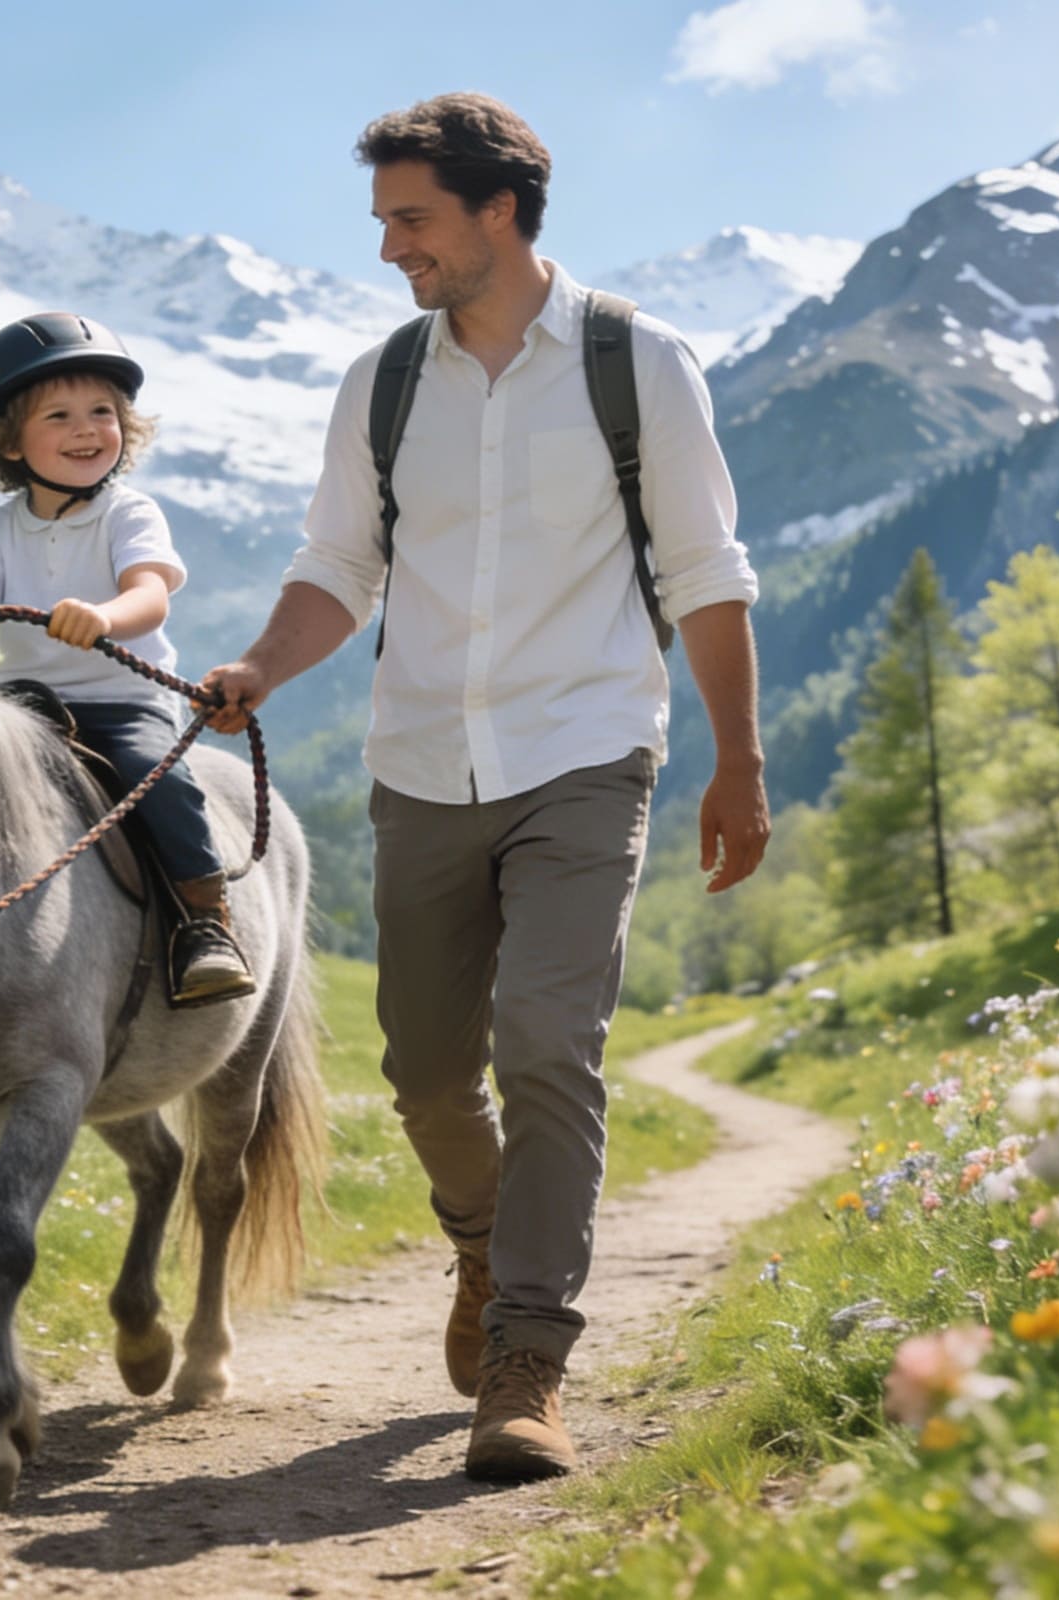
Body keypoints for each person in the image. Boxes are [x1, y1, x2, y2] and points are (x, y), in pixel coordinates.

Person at [201, 94, 771, 1481]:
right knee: (426, 1073)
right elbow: (341, 565)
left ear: (499, 210)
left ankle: (528, 1358)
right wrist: (262, 665)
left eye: (413, 218)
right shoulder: (384, 382)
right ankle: (483, 1240)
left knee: (547, 1044)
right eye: (384, 220)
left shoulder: (638, 363)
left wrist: (738, 761)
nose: (391, 247)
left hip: (587, 749)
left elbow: (705, 571)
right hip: (421, 764)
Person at [0, 313, 256, 1007]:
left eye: (102, 412)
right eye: (60, 416)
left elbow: (150, 595)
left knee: (156, 776)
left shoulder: (127, 514)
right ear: (9, 442)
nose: (87, 429)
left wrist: (104, 617)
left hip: (122, 703)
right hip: (21, 702)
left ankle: (204, 921)